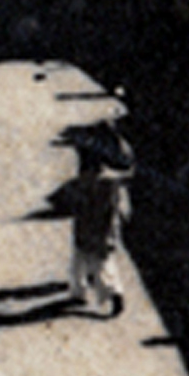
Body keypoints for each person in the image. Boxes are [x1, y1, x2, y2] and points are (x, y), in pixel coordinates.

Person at [63, 135, 133, 318]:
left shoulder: (85, 183)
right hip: (104, 228)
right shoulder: (111, 183)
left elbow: (76, 204)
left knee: (88, 261)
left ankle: (104, 293)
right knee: (99, 262)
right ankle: (91, 291)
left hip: (89, 227)